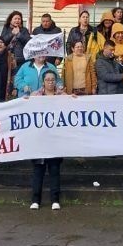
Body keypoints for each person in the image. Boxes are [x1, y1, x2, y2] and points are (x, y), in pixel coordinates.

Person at [27, 72, 73, 210]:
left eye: (53, 80)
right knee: (38, 170)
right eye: (47, 80)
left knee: (54, 170)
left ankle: (55, 199)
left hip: (55, 138)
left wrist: (75, 100)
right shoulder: (35, 96)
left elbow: (73, 106)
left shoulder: (62, 96)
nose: (50, 82)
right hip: (39, 138)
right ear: (43, 82)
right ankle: (36, 200)